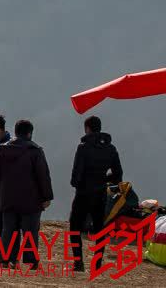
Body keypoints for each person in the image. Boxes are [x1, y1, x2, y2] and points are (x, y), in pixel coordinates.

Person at [0, 119, 53, 268]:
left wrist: (0, 192)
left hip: (8, 198)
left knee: (9, 230)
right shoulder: (35, 151)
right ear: (29, 133)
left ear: (16, 132)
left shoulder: (3, 149)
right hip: (31, 200)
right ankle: (31, 261)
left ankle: (7, 259)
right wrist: (47, 196)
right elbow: (43, 175)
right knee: (30, 231)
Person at [68, 115, 123, 273]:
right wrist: (103, 179)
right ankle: (97, 264)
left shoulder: (83, 147)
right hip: (100, 194)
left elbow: (75, 177)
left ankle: (78, 263)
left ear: (87, 128)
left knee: (74, 227)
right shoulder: (110, 149)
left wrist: (80, 183)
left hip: (83, 194)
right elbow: (118, 174)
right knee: (100, 229)